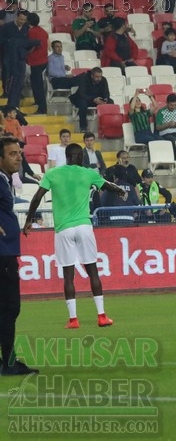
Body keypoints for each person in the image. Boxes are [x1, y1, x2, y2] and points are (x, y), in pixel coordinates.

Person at [23, 144, 126, 328]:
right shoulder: (88, 173)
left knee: (68, 275)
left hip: (64, 228)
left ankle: (73, 320)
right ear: (80, 157)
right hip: (84, 226)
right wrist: (119, 190)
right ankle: (102, 316)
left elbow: (37, 197)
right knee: (92, 270)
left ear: (66, 156)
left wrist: (29, 220)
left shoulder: (52, 173)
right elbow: (108, 186)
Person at [0, 137, 39, 375]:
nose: (19, 157)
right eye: (13, 153)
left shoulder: (5, 181)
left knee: (5, 308)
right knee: (10, 307)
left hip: (6, 251)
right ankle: (9, 362)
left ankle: (6, 360)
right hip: (2, 254)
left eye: (19, 153)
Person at [69, 67, 113, 133]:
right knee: (82, 103)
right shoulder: (84, 78)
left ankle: (108, 126)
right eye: (97, 77)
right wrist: (93, 99)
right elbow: (82, 94)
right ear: (92, 75)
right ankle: (83, 127)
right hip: (83, 98)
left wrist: (105, 100)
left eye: (100, 77)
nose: (99, 79)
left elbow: (106, 92)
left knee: (110, 102)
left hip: (97, 99)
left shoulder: (103, 80)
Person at [26, 12, 48, 114]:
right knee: (35, 82)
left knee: (38, 85)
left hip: (36, 62)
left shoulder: (31, 32)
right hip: (43, 61)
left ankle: (42, 108)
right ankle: (38, 102)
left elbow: (31, 46)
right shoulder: (43, 31)